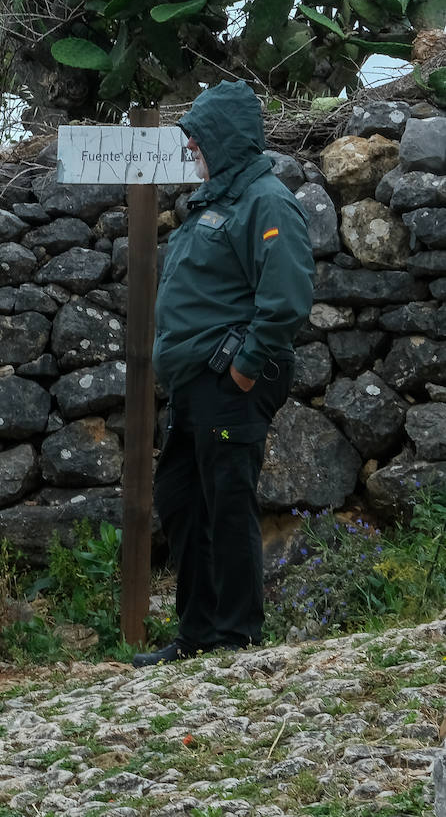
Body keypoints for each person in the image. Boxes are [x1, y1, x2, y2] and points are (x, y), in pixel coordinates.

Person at [133, 80, 314, 667]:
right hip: (195, 385)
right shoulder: (217, 202)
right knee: (182, 496)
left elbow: (285, 298)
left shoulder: (267, 201)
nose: (193, 152)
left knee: (228, 499)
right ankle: (198, 632)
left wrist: (243, 369)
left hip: (227, 381)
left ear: (226, 140)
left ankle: (236, 636)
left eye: (199, 141)